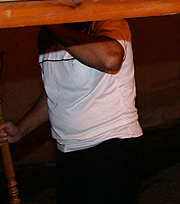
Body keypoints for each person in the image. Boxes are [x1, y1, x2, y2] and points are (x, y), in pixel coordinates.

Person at [0, 20, 143, 204]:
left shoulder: (106, 19)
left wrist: (55, 27)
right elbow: (55, 92)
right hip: (68, 151)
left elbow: (111, 58)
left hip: (112, 145)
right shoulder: (47, 34)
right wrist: (21, 129)